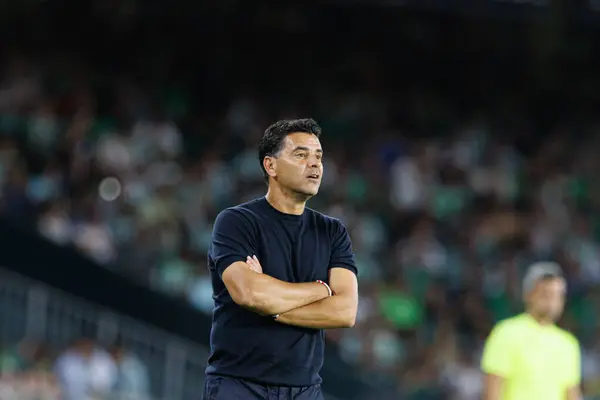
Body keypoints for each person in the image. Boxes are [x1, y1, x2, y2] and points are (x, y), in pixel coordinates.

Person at [203, 118, 358, 400]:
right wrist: (321, 289)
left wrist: (274, 308)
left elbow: (345, 311)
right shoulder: (236, 222)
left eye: (318, 156)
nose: (314, 164)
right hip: (239, 386)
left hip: (305, 391)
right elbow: (249, 293)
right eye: (301, 155)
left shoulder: (333, 231)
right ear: (270, 165)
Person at [481, 262, 582, 400]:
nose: (550, 301)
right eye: (544, 293)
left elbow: (571, 393)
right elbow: (493, 390)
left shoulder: (568, 344)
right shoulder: (506, 333)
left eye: (556, 295)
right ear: (528, 295)